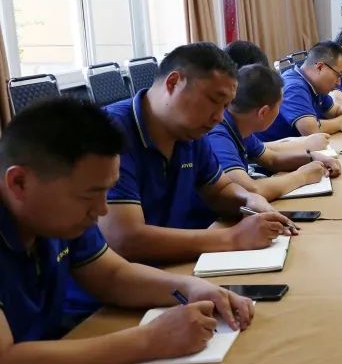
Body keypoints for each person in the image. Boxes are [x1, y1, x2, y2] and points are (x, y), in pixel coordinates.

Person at [0, 98, 254, 364]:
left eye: (107, 192)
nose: (102, 210)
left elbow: (112, 275)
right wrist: (149, 340)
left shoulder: (57, 215)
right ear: (19, 182)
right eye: (89, 196)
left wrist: (191, 287)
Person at [96, 42, 294, 268]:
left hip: (172, 265)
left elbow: (219, 190)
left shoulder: (191, 133)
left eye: (225, 106)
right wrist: (232, 238)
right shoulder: (109, 132)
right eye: (214, 101)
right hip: (120, 281)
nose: (219, 117)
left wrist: (248, 200)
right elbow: (125, 238)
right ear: (173, 83)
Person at [207, 64, 342, 202]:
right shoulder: (218, 135)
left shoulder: (239, 124)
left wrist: (312, 157)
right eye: (279, 105)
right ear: (263, 112)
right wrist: (302, 176)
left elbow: (272, 159)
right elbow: (249, 190)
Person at [257, 42, 342, 143]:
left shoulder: (315, 85)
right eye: (338, 75)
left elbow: (334, 110)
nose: (339, 82)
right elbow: (311, 130)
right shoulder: (293, 86)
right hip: (270, 158)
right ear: (320, 67)